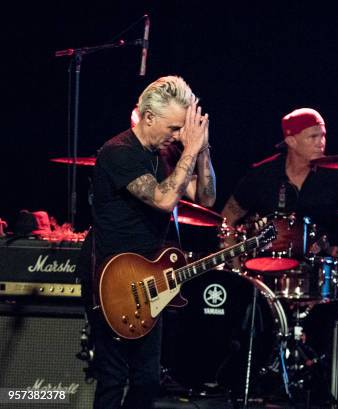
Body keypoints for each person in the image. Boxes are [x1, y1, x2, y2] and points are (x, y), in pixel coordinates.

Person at [77, 75, 216, 409]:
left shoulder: (165, 154)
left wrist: (203, 147)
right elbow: (163, 199)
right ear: (149, 117)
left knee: (148, 380)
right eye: (173, 127)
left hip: (148, 278)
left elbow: (207, 197)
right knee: (112, 377)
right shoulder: (118, 152)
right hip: (109, 276)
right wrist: (190, 150)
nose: (177, 135)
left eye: (182, 128)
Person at [221, 107, 338, 263]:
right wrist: (236, 267)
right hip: (264, 270)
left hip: (319, 273)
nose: (321, 142)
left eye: (323, 135)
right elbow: (227, 219)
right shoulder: (262, 174)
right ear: (291, 141)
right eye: (313, 136)